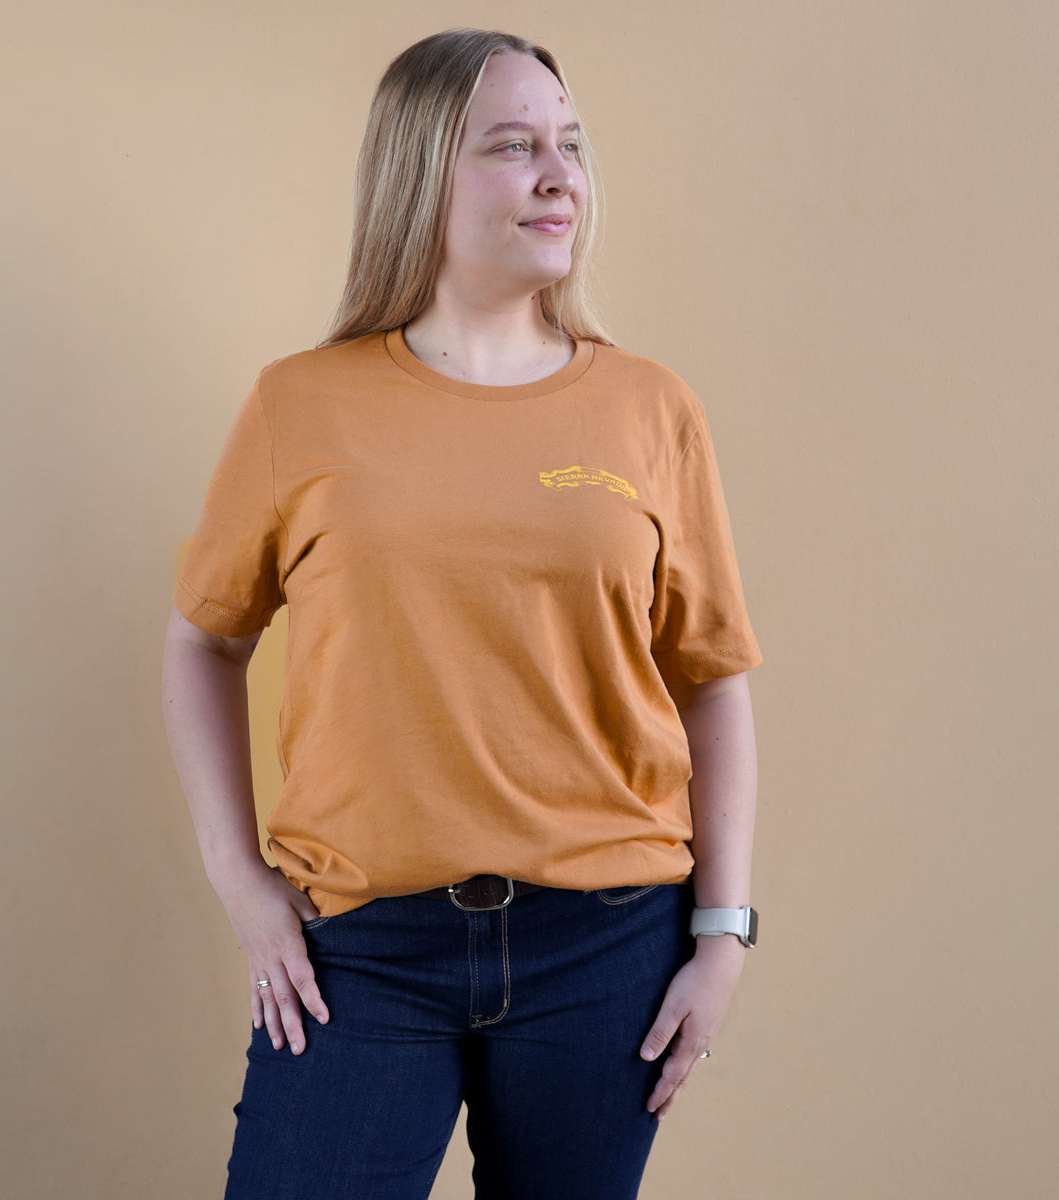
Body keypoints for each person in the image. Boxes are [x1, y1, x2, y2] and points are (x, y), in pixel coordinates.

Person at [162, 27, 761, 1200]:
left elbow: (712, 676)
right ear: (422, 173)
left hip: (607, 942)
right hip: (362, 949)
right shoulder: (301, 404)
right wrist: (241, 881)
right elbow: (204, 641)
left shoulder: (650, 408)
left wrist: (723, 933)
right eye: (513, 146)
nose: (558, 176)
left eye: (571, 146)